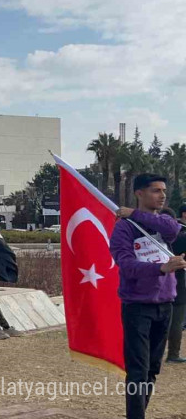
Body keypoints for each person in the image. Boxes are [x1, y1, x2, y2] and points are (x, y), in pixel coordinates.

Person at [110, 174, 186, 419]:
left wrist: (133, 213)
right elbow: (127, 265)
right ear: (139, 193)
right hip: (137, 307)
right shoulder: (123, 228)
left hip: (165, 305)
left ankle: (138, 413)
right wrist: (160, 268)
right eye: (155, 190)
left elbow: (172, 229)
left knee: (153, 368)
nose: (162, 195)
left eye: (163, 190)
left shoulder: (163, 222)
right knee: (138, 370)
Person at [167, 205, 186, 363]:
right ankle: (173, 353)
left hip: (157, 280)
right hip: (178, 281)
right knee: (177, 320)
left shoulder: (154, 235)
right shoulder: (182, 235)